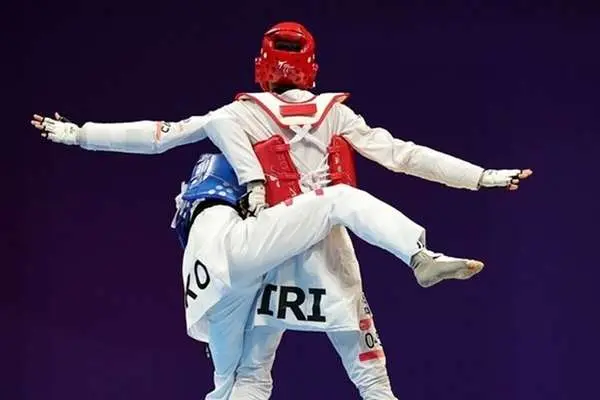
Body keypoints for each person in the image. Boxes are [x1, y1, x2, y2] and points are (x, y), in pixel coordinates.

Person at [30, 21, 532, 399]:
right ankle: (418, 254)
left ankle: (420, 257)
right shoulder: (335, 114)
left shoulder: (237, 115)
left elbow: (159, 136)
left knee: (252, 375)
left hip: (271, 250)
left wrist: (78, 134)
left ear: (261, 67)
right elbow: (405, 156)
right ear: (312, 68)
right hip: (325, 247)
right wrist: (481, 177)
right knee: (371, 375)